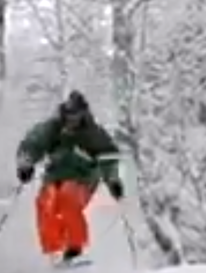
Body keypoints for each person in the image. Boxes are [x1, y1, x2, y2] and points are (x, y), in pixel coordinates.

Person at [15, 91, 125, 263]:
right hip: (55, 176)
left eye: (76, 115)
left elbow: (108, 157)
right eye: (69, 115)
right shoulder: (53, 128)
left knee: (68, 197)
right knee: (46, 201)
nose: (72, 120)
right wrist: (26, 164)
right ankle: (54, 248)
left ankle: (75, 246)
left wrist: (112, 180)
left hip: (83, 178)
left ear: (83, 114)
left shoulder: (92, 133)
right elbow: (33, 142)